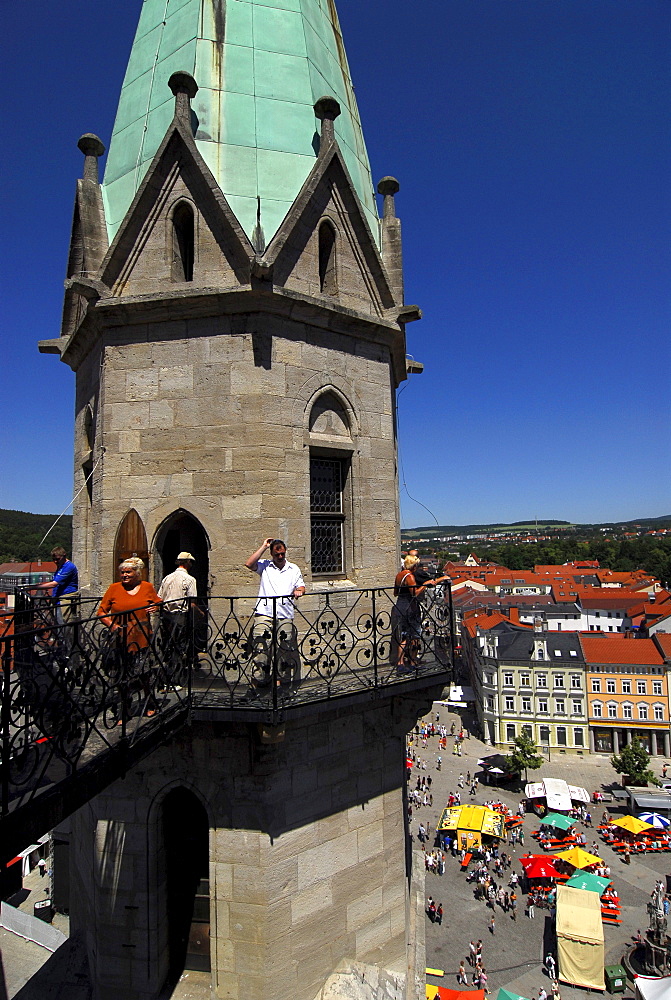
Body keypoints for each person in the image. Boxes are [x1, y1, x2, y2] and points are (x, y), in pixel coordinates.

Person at [97, 558, 161, 715]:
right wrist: (112, 625)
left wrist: (155, 606)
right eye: (122, 572)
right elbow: (101, 612)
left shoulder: (147, 587)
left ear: (136, 574)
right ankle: (124, 709)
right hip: (121, 638)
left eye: (128, 572)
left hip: (142, 637)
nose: (124, 575)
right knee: (122, 675)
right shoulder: (114, 588)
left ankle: (149, 703)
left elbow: (159, 602)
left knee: (144, 674)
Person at [245, 538, 305, 688]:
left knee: (283, 650)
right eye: (277, 554)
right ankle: (256, 683)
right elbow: (249, 564)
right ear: (271, 553)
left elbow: (301, 585)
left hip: (284, 614)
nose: (280, 557)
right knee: (261, 648)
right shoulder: (265, 565)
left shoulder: (293, 568)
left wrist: (299, 591)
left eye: (282, 554)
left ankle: (280, 683)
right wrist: (264, 546)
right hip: (264, 613)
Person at [157, 552, 198, 688]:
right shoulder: (190, 579)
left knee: (167, 646)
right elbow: (192, 599)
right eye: (190, 562)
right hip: (179, 615)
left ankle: (165, 679)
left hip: (166, 615)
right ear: (187, 563)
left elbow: (159, 597)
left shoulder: (167, 578)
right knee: (179, 647)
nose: (191, 565)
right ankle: (175, 680)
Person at [392, 555, 434, 670]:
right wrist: (425, 585)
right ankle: (412, 662)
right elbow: (414, 593)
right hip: (410, 607)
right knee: (414, 636)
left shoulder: (399, 575)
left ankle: (400, 663)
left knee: (404, 635)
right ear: (414, 565)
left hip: (400, 605)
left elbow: (395, 593)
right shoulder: (409, 576)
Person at [32, 546, 80, 625]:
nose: (55, 561)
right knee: (58, 626)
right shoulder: (61, 565)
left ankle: (64, 637)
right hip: (58, 599)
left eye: (57, 559)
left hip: (65, 598)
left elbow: (54, 584)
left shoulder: (69, 567)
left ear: (64, 556)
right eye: (53, 559)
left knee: (63, 626)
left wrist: (36, 587)